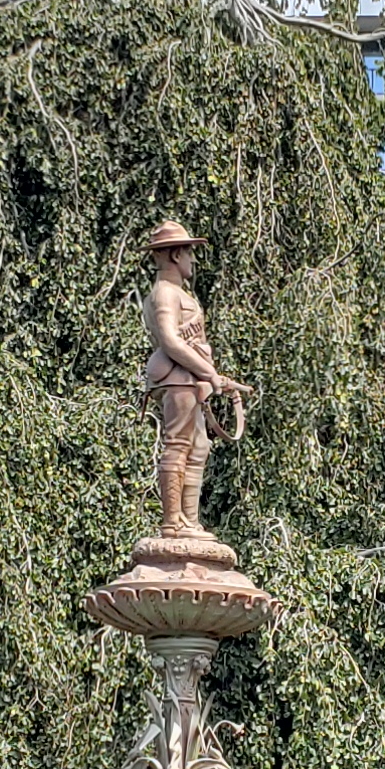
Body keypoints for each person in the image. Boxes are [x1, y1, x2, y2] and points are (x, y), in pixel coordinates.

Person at [140, 220, 250, 536]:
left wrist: (211, 376)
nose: (192, 259)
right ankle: (173, 522)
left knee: (199, 445)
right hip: (175, 376)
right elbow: (171, 341)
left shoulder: (176, 292)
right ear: (175, 255)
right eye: (189, 252)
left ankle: (189, 519)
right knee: (178, 444)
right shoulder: (165, 293)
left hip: (189, 377)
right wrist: (209, 373)